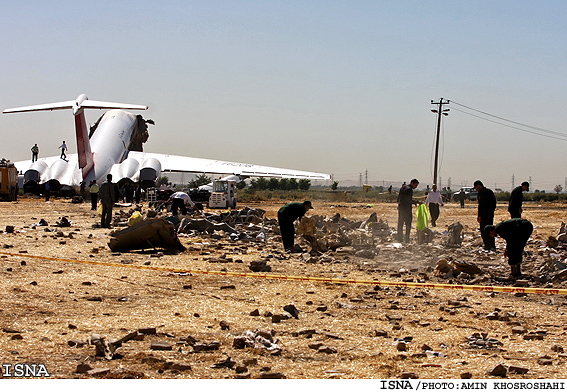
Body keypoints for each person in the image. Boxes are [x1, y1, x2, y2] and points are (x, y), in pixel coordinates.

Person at [474, 180, 497, 251]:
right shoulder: (489, 192)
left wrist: (480, 215)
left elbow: (481, 206)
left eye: (476, 187)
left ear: (479, 186)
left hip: (484, 215)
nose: (476, 189)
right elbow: (494, 204)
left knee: (484, 231)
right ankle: (491, 245)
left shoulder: (482, 193)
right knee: (490, 230)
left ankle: (487, 245)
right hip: (490, 215)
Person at [397, 179, 419, 243]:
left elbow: (398, 198)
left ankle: (399, 238)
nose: (415, 187)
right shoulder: (409, 190)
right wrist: (416, 202)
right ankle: (407, 239)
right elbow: (408, 200)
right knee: (408, 224)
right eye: (415, 185)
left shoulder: (403, 187)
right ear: (412, 183)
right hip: (406, 209)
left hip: (401, 208)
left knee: (400, 224)